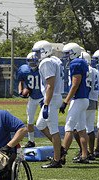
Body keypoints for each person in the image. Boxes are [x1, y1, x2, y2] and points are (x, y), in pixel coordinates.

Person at [32, 40, 65, 168]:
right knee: (40, 125)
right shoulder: (55, 60)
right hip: (55, 97)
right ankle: (60, 149)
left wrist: (46, 104)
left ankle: (57, 160)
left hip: (51, 98)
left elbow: (50, 85)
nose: (35, 56)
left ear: (44, 51)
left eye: (37, 52)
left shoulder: (46, 62)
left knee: (53, 129)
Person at [59, 43, 90, 164]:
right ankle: (84, 155)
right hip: (84, 99)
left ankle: (60, 156)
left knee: (69, 127)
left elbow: (75, 84)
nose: (66, 56)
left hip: (79, 99)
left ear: (74, 52)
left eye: (67, 54)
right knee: (81, 129)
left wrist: (65, 101)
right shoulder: (82, 62)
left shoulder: (76, 63)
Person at [72, 51, 99, 161]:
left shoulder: (86, 69)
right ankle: (90, 152)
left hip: (85, 97)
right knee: (90, 128)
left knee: (78, 128)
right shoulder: (95, 70)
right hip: (94, 98)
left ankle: (84, 151)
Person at [17, 52, 43, 148]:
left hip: (42, 97)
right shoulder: (24, 69)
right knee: (29, 120)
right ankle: (31, 140)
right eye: (30, 61)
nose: (32, 63)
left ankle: (53, 138)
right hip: (32, 97)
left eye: (34, 61)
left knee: (45, 120)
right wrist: (21, 91)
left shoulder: (42, 69)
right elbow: (21, 81)